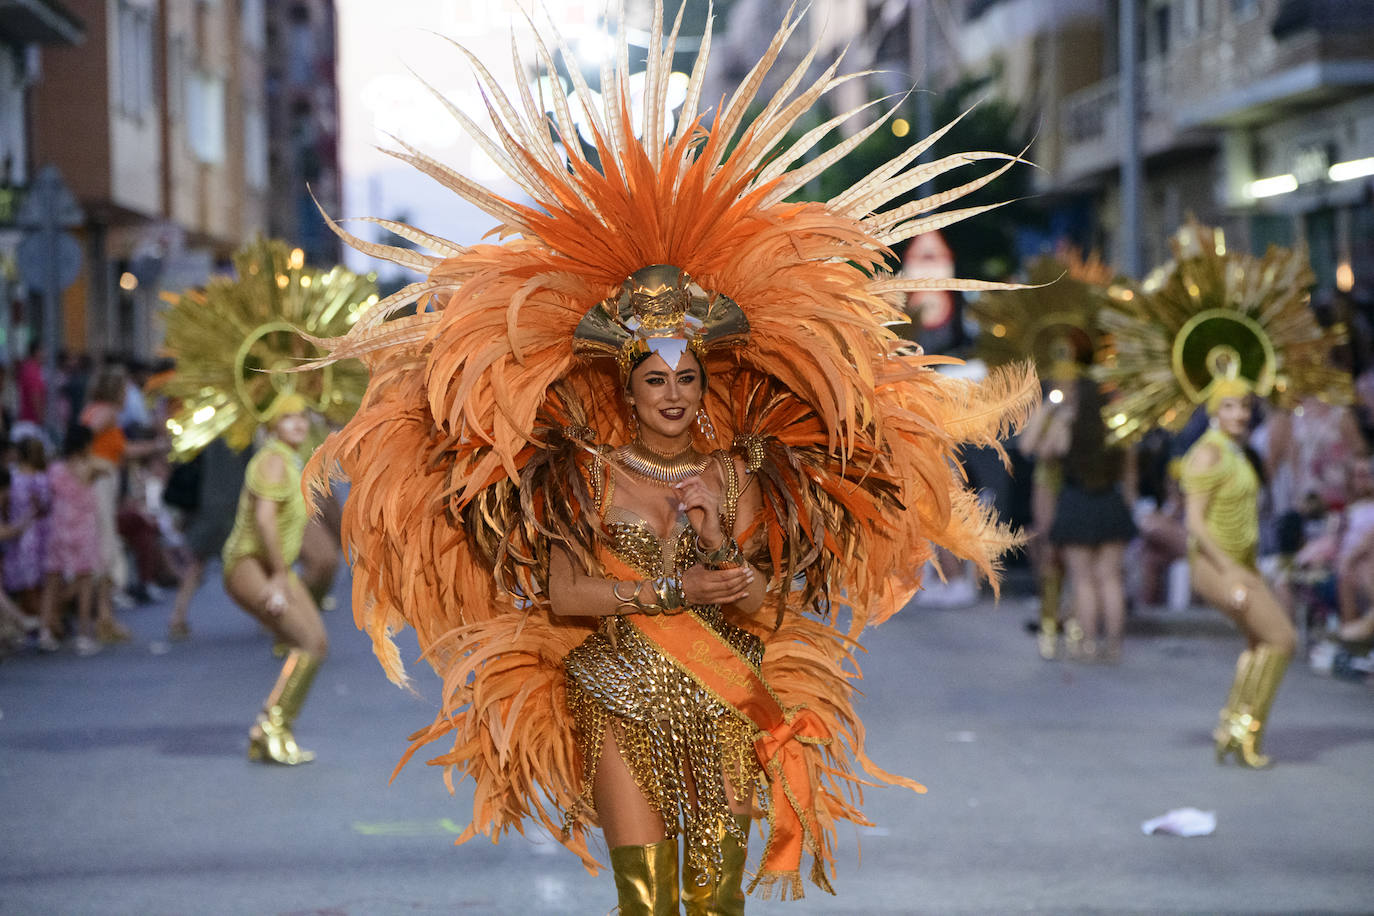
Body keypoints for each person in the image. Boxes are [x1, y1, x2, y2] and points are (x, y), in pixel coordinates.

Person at [302, 9, 1035, 909]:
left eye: (686, 382)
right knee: (646, 902)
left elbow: (769, 602)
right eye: (655, 381)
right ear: (628, 386)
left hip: (728, 696)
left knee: (716, 901)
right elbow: (565, 595)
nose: (676, 397)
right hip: (613, 694)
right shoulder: (576, 471)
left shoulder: (744, 473)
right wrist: (673, 591)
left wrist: (724, 560)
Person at [1181, 380, 1297, 767]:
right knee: (1282, 639)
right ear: (1214, 410)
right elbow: (1195, 523)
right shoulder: (1209, 454)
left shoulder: (1235, 450)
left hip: (1240, 564)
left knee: (1260, 642)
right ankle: (1247, 734)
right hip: (1217, 566)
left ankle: (1232, 730)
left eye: (1245, 406)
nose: (1240, 414)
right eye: (1229, 406)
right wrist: (1230, 571)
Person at [220, 394, 325, 765]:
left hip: (271, 565)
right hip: (249, 564)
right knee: (305, 642)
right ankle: (271, 730)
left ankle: (271, 729)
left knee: (316, 643)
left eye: (302, 415)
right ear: (272, 425)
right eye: (287, 417)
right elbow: (265, 521)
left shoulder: (290, 459)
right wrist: (281, 575)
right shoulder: (274, 462)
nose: (298, 423)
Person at [1044, 376, 1136, 661]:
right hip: (1110, 502)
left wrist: (1054, 411)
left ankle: (1088, 644)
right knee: (1111, 580)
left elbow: (1044, 451)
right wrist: (1127, 510)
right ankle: (1114, 646)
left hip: (1076, 503)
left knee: (1082, 580)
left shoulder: (1067, 426)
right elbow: (1130, 475)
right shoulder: (1118, 428)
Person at [42, 426, 104, 656]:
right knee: (85, 580)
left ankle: (45, 630)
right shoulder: (89, 467)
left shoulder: (56, 469)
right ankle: (83, 634)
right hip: (83, 529)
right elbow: (106, 467)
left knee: (52, 580)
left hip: (58, 528)